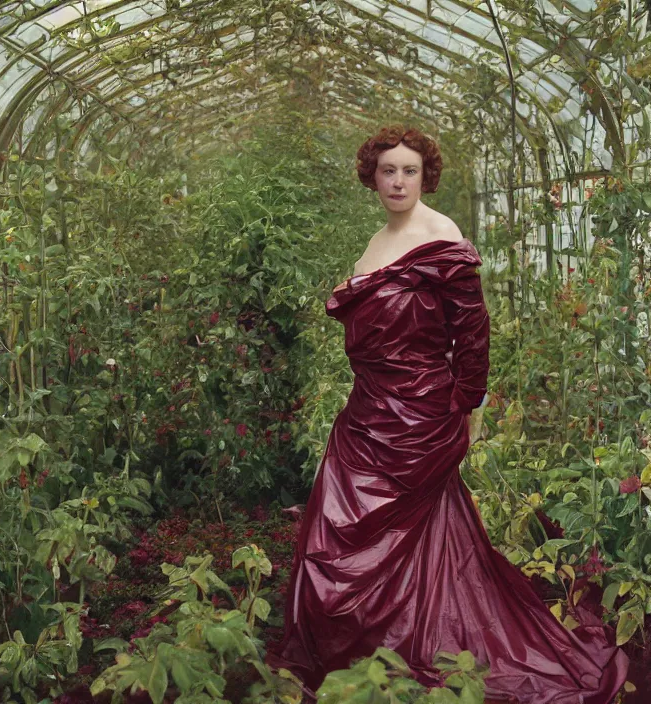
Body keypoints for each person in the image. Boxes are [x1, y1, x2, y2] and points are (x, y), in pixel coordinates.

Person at [266, 126, 629, 703]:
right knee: (337, 533)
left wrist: (469, 405)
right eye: (388, 170)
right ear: (372, 175)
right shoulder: (377, 238)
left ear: (425, 176)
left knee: (399, 533)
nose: (398, 181)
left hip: (420, 417)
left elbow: (471, 333)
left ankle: (410, 647)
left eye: (409, 170)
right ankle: (376, 645)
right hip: (366, 413)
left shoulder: (441, 236)